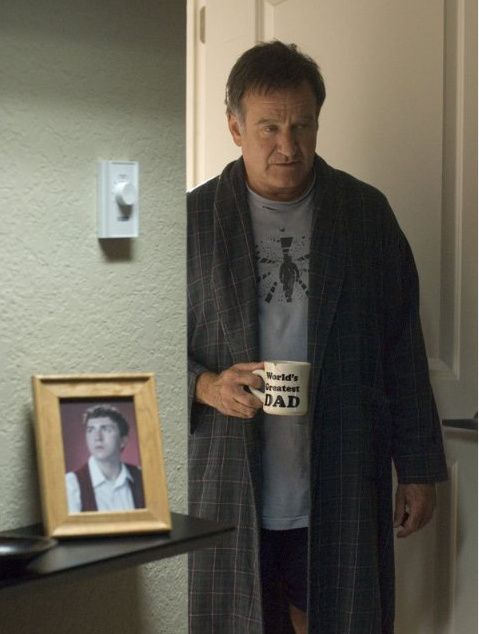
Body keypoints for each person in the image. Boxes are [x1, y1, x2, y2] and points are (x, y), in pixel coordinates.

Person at [187, 40, 448, 634]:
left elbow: (402, 350)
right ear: (235, 127)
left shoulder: (365, 215)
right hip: (226, 478)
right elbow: (143, 348)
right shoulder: (192, 222)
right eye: (269, 127)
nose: (288, 146)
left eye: (302, 125)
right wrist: (205, 385)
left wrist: (417, 467)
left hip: (343, 472)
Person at [65, 404, 145, 513]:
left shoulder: (142, 477)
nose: (97, 437)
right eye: (91, 430)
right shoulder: (72, 484)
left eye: (106, 429)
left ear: (123, 441)